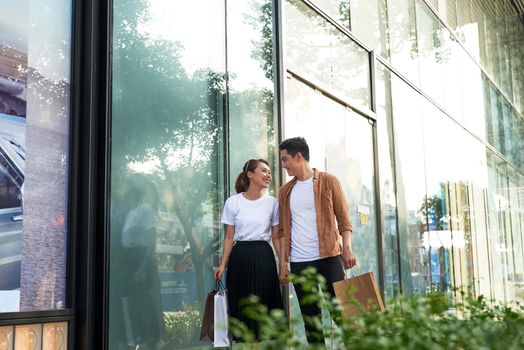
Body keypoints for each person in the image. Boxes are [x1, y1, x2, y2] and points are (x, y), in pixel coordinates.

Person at [277, 137, 357, 344]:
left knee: (343, 315)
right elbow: (283, 230)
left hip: (329, 258)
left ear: (299, 156)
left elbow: (344, 220)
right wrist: (284, 263)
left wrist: (346, 248)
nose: (283, 165)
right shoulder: (285, 192)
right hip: (300, 263)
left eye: (285, 160)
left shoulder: (329, 181)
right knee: (311, 321)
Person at [214, 159, 283, 340]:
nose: (268, 175)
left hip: (263, 256)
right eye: (264, 171)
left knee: (263, 304)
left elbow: (276, 237)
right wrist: (222, 265)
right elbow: (229, 237)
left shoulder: (273, 203)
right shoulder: (233, 202)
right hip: (240, 257)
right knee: (242, 305)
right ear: (250, 175)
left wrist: (283, 263)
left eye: (269, 172)